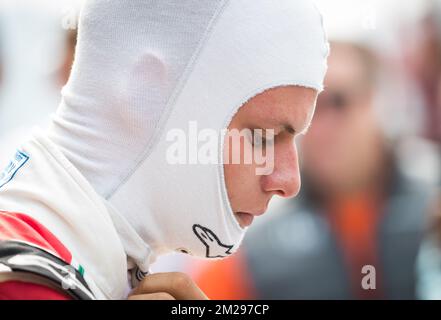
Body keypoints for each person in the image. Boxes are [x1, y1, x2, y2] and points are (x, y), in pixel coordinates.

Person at [0, 0, 329, 299]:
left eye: (294, 138)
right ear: (145, 93)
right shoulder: (22, 282)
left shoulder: (73, 256)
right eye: (264, 136)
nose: (290, 180)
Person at [191, 41, 434, 300]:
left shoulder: (432, 204)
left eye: (338, 102)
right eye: (311, 111)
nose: (320, 127)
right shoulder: (254, 251)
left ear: (376, 103)